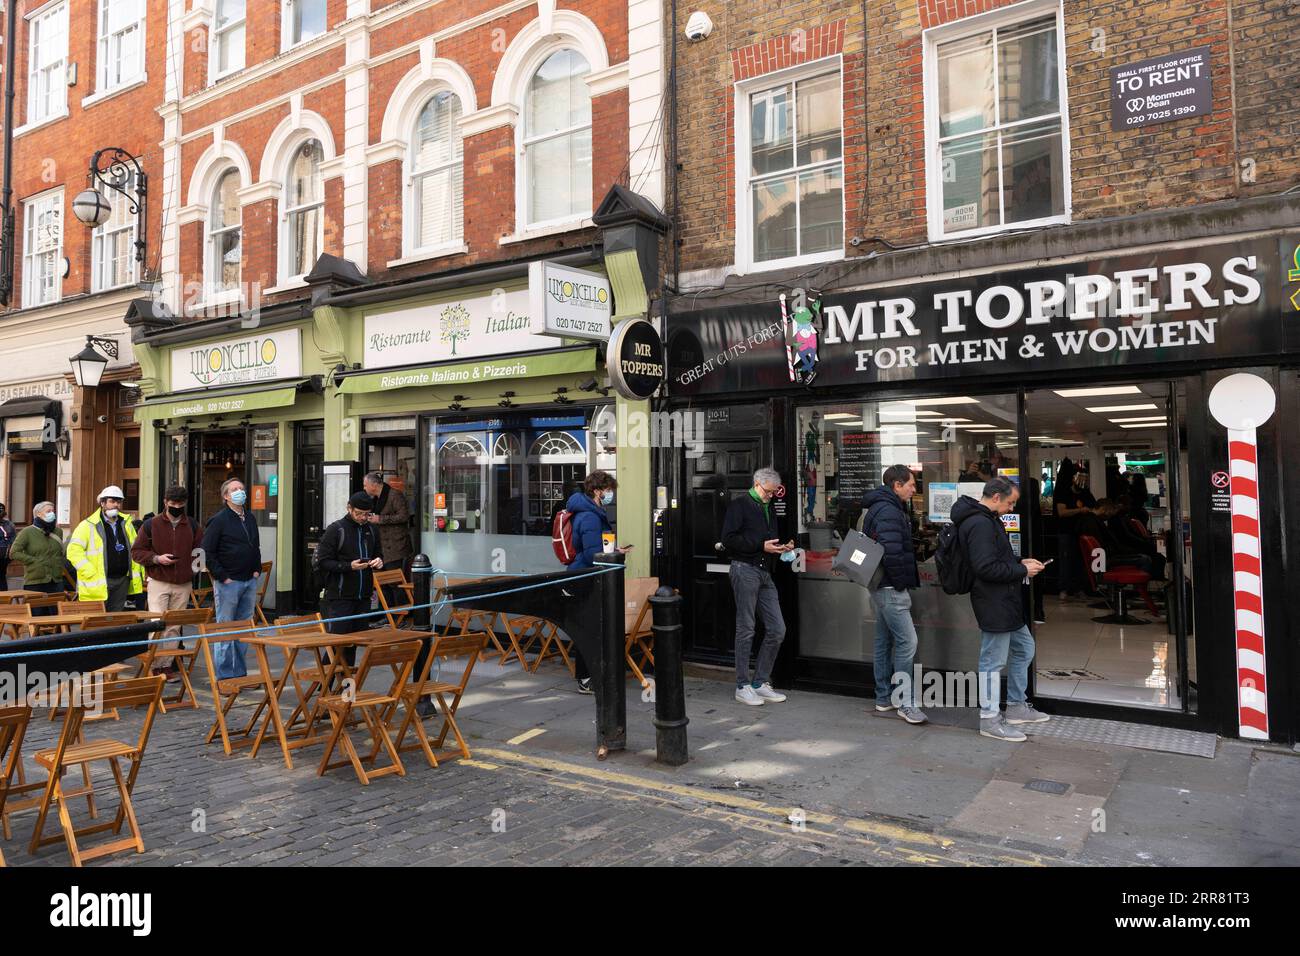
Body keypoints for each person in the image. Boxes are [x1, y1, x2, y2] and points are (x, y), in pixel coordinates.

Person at [952, 476, 1049, 742]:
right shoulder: (980, 524)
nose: (1011, 509)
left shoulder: (987, 520)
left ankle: (1016, 706)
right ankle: (989, 719)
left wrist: (1021, 561)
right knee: (992, 661)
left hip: (1005, 601)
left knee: (1024, 648)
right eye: (1010, 503)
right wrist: (1021, 569)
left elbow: (995, 560)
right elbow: (985, 568)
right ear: (996, 497)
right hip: (993, 601)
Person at [721, 467, 792, 707]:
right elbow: (728, 539)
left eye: (774, 493)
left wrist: (782, 547)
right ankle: (742, 685)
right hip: (744, 570)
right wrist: (761, 546)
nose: (772, 496)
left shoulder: (768, 506)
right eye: (769, 492)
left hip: (764, 572)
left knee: (777, 629)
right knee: (746, 628)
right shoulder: (739, 506)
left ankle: (759, 682)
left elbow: (767, 541)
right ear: (757, 484)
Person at [861, 465, 926, 724]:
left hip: (881, 584)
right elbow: (891, 551)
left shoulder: (882, 506)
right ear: (896, 485)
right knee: (907, 642)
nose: (913, 489)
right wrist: (900, 583)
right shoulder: (889, 509)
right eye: (910, 484)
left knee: (884, 641)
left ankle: (884, 697)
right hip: (889, 587)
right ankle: (905, 702)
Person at [565, 471, 631, 694]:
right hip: (585, 578)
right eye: (608, 490)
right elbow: (593, 553)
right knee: (588, 629)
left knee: (591, 628)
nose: (610, 494)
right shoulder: (590, 516)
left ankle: (589, 675)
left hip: (586, 576)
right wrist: (614, 552)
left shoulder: (591, 512)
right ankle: (585, 678)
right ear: (596, 491)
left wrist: (614, 550)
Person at [132, 486, 204, 679]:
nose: (176, 507)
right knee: (157, 623)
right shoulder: (150, 525)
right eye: (173, 503)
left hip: (183, 582)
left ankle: (167, 665)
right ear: (165, 502)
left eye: (180, 504)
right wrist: (157, 559)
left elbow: (200, 552)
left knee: (174, 626)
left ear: (185, 503)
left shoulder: (193, 526)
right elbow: (136, 552)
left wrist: (193, 570)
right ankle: (155, 665)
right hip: (158, 580)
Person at [200, 478, 263, 678]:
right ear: (226, 496)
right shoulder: (219, 520)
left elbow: (255, 545)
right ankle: (225, 675)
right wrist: (222, 576)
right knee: (226, 629)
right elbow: (207, 552)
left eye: (242, 489)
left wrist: (256, 569)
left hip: (249, 580)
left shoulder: (250, 518)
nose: (240, 492)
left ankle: (240, 673)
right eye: (234, 490)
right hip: (229, 582)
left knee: (244, 628)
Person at [315, 491, 385, 669]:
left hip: (363, 596)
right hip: (340, 595)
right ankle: (324, 684)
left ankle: (345, 686)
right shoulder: (336, 529)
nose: (363, 517)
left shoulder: (372, 530)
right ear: (349, 508)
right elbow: (323, 561)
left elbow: (378, 554)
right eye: (359, 513)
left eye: (367, 514)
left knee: (354, 643)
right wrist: (348, 566)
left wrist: (378, 561)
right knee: (337, 643)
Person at [67, 486, 146, 612]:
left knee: (114, 619)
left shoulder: (126, 524)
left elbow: (135, 548)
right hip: (98, 580)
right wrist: (90, 571)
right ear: (102, 503)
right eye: (112, 501)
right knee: (96, 621)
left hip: (122, 580)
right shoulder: (88, 525)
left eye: (119, 501)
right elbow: (73, 552)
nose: (116, 505)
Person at [362, 471, 413, 622]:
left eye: (365, 485)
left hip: (396, 547)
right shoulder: (375, 498)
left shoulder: (394, 495)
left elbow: (404, 516)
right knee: (382, 583)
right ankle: (388, 615)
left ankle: (402, 616)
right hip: (381, 547)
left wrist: (380, 519)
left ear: (374, 484)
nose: (364, 488)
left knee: (395, 583)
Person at [10, 502, 65, 615]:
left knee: (56, 616)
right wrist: (34, 561)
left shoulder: (58, 531)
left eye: (53, 511)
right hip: (35, 581)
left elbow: (60, 552)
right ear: (38, 514)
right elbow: (14, 553)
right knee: (37, 616)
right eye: (48, 511)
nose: (52, 513)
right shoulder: (27, 532)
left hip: (56, 580)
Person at [0, 503, 14, 589]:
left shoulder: (8, 524)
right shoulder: (9, 524)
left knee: (1, 576)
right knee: (2, 577)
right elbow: (13, 540)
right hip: (5, 554)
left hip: (4, 554)